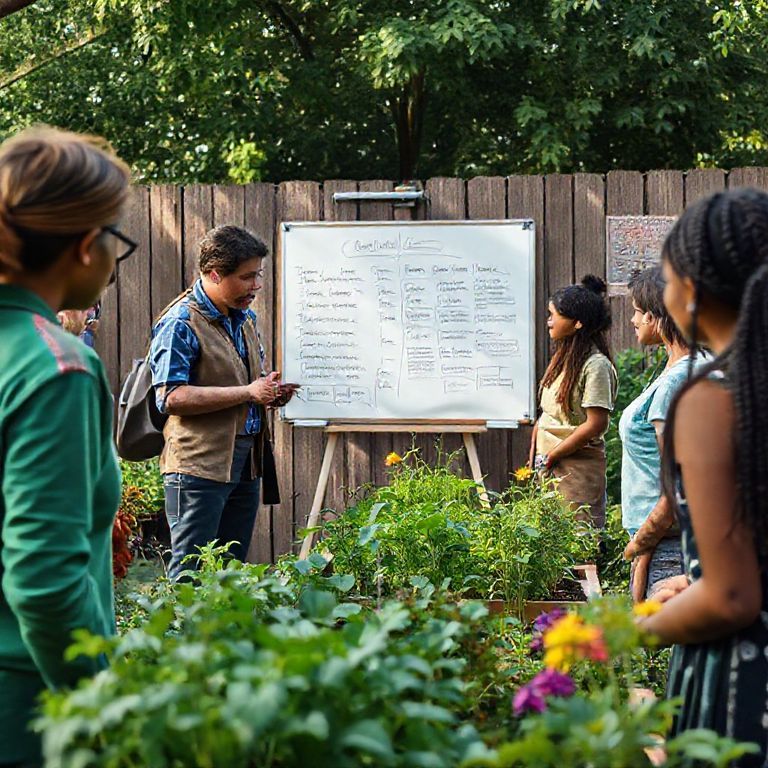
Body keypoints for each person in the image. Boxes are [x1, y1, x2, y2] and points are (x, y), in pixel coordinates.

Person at [0, 127, 131, 766]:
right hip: (28, 706)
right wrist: (102, 707)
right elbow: (45, 580)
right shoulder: (56, 368)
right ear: (85, 246)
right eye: (117, 239)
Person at [639, 188, 768, 765]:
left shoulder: (712, 400)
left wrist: (636, 629)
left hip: (745, 681)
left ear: (689, 290)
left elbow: (734, 598)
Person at [149, 225, 297, 580]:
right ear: (214, 274)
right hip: (197, 467)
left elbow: (243, 384)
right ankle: (180, 636)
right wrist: (248, 392)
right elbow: (169, 397)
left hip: (246, 462)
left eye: (257, 275)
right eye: (247, 277)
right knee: (190, 574)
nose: (256, 286)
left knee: (231, 573)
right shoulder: (179, 323)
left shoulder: (245, 318)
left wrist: (268, 393)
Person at [619, 267, 703, 602]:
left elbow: (678, 483)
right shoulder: (692, 366)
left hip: (669, 549)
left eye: (636, 312)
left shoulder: (674, 383)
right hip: (666, 542)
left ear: (655, 317)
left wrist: (641, 544)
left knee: (664, 646)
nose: (632, 321)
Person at [529, 275, 618, 528]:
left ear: (577, 323)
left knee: (578, 549)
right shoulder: (564, 359)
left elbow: (595, 424)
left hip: (576, 472)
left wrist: (553, 454)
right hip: (551, 465)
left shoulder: (596, 365)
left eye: (553, 315)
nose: (549, 321)